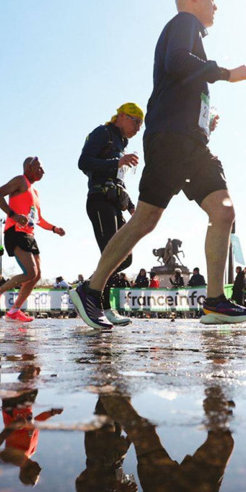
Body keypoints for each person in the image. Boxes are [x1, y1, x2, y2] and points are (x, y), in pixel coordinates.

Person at [70, 0, 246, 329]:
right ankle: (91, 290)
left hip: (190, 141)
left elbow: (182, 79)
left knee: (221, 211)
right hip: (171, 139)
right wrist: (227, 73)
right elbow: (177, 63)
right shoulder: (184, 23)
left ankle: (216, 301)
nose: (216, 6)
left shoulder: (190, 33)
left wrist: (203, 123)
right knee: (146, 219)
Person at [78, 102, 143, 326]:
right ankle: (101, 306)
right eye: (136, 122)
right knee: (110, 254)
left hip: (116, 203)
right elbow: (83, 162)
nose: (138, 128)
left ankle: (89, 291)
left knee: (125, 257)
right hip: (99, 199)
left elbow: (119, 180)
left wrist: (132, 206)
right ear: (123, 116)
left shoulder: (121, 143)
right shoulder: (103, 132)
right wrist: (118, 161)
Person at [0, 157, 65, 323]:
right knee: (30, 272)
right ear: (29, 167)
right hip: (15, 232)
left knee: (36, 276)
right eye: (40, 168)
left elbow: (39, 218)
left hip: (30, 235)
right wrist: (13, 215)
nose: (43, 171)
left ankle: (14, 310)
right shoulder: (20, 180)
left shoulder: (35, 191)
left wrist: (54, 228)